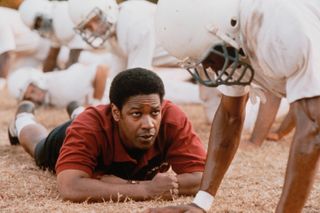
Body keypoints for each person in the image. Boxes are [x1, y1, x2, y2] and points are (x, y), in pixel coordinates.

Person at [147, 0, 320, 212]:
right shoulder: (229, 38)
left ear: (226, 26)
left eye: (208, 58)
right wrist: (201, 203)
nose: (207, 67)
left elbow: (312, 127)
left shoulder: (280, 27)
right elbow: (230, 115)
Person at [8, 68, 206, 202]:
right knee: (38, 147)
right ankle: (23, 119)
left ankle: (77, 109)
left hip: (97, 126)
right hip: (72, 135)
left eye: (155, 112)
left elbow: (203, 178)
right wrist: (146, 190)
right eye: (136, 114)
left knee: (85, 116)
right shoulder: (89, 128)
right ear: (116, 112)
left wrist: (128, 185)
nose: (149, 124)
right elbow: (70, 186)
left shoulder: (171, 119)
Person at [7, 63, 109, 107]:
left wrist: (96, 103)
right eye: (28, 98)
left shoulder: (62, 83)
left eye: (32, 91)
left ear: (36, 80)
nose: (35, 98)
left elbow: (101, 70)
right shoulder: (49, 92)